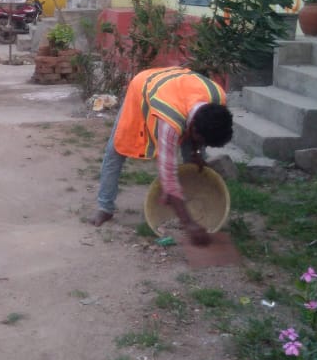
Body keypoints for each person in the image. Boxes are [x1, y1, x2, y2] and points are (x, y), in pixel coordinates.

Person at [87, 66, 234, 246]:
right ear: (193, 129)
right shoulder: (170, 123)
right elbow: (168, 178)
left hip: (177, 86)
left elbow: (199, 134)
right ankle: (105, 207)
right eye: (200, 140)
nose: (201, 145)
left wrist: (196, 152)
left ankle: (193, 203)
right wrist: (189, 225)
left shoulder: (218, 97)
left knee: (195, 160)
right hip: (144, 87)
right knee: (116, 150)